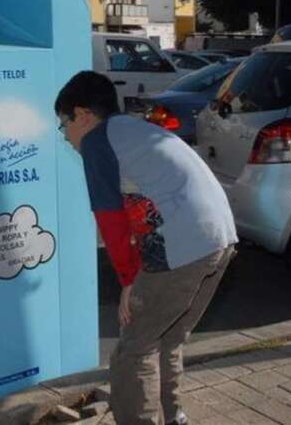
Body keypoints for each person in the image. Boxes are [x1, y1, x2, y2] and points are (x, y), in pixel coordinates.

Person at [55, 71, 238, 425]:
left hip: (184, 247)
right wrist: (137, 272)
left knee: (131, 351)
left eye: (64, 125)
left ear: (83, 115)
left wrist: (127, 280)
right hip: (220, 237)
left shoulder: (97, 140)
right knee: (166, 338)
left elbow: (109, 217)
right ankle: (174, 417)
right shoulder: (134, 130)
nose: (65, 137)